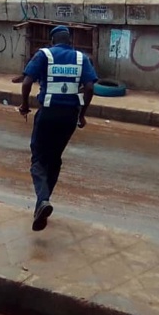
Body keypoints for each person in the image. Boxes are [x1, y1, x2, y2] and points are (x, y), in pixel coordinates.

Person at [19, 25, 97, 231]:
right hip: (69, 117)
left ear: (53, 41)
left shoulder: (44, 54)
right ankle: (41, 205)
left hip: (48, 113)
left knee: (38, 158)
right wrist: (82, 114)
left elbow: (27, 82)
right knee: (54, 159)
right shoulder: (81, 58)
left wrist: (25, 105)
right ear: (69, 41)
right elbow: (90, 87)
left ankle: (43, 200)